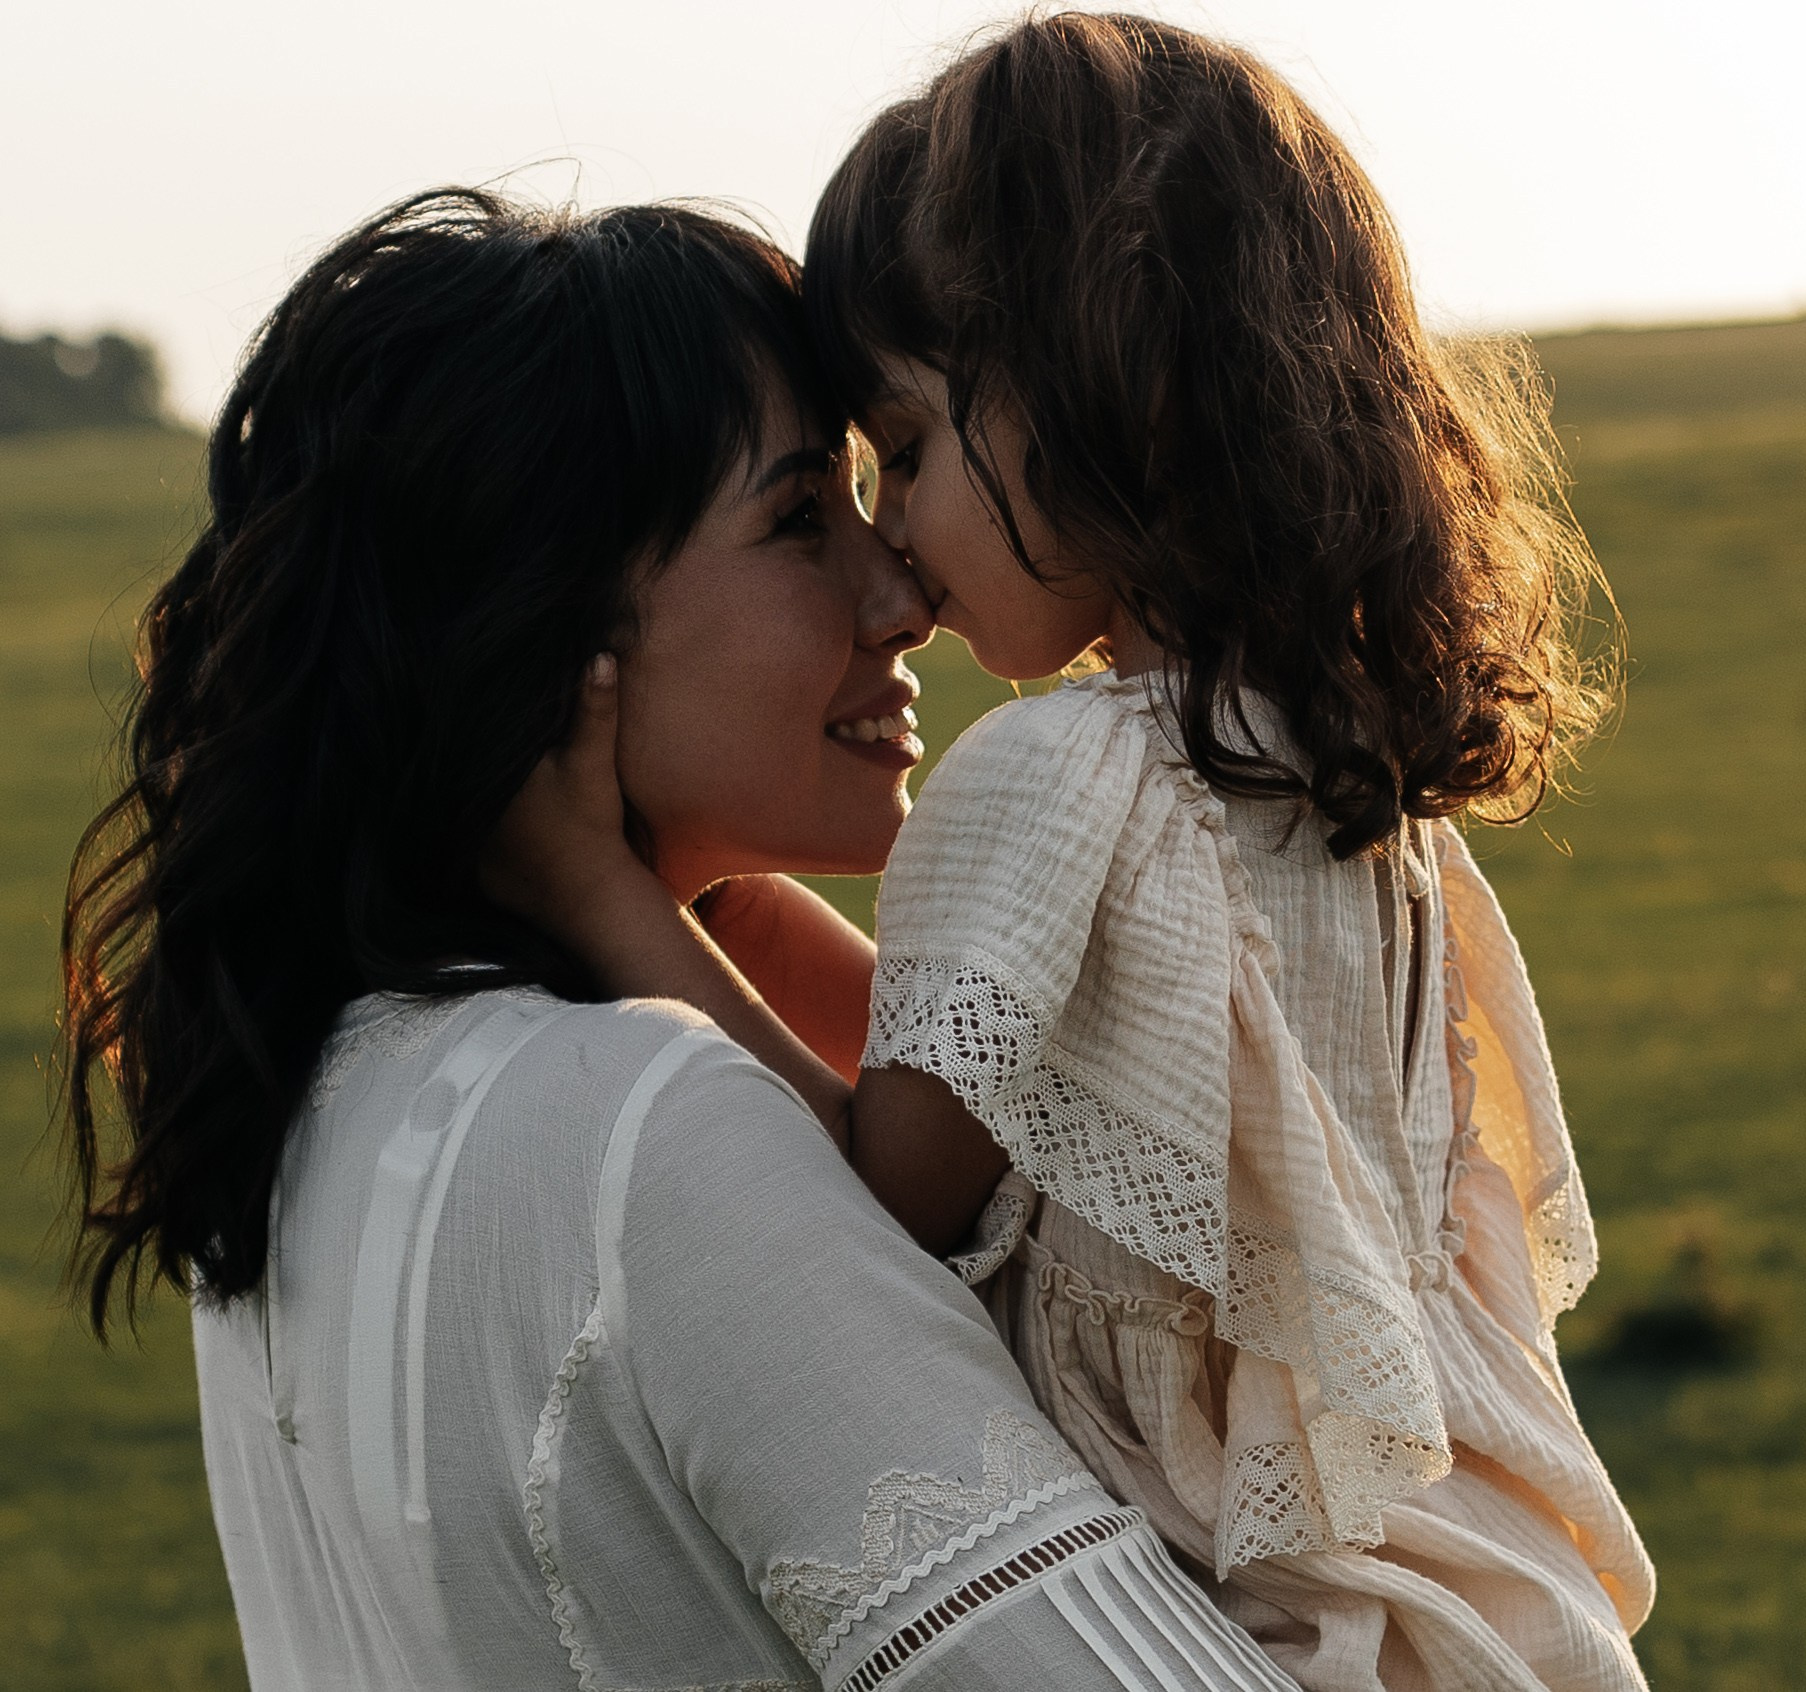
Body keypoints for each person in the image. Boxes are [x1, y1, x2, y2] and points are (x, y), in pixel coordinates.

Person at [498, 17, 1656, 1692]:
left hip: (1252, 1612)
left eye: (905, 446)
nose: (891, 538)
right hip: (1453, 1592)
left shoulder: (1053, 770)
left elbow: (882, 1190)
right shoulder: (1326, 775)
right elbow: (981, 1065)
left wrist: (614, 900)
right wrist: (732, 904)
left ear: (1099, 383)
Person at [58, 187, 1302, 1692]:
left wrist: (630, 878)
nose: (900, 592)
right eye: (797, 517)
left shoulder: (302, 1103)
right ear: (546, 626)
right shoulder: (653, 1125)